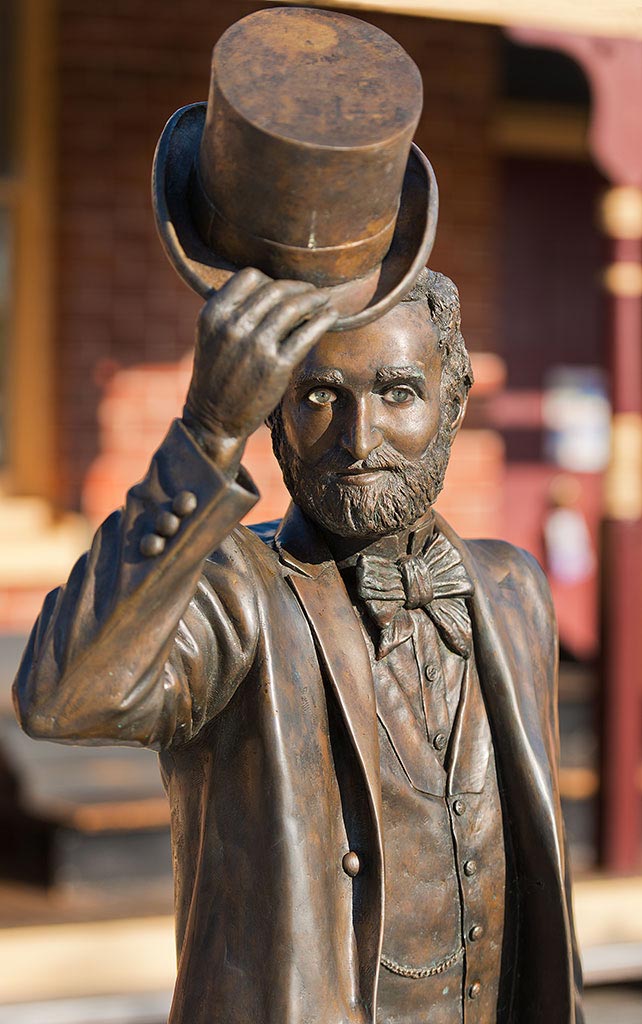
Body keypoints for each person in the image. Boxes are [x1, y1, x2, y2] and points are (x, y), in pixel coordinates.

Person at [14, 264, 583, 1024]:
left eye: (400, 392)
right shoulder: (230, 587)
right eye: (321, 397)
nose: (359, 438)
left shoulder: (514, 591)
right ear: (273, 414)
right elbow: (63, 697)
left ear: (454, 402)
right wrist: (205, 434)